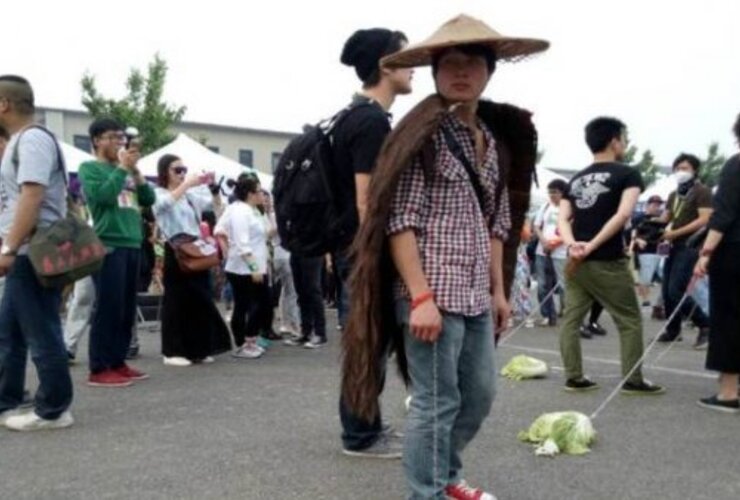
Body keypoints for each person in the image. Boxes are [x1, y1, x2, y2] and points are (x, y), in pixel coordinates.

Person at [342, 15, 547, 499]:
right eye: (450, 63)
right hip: (431, 291)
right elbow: (399, 221)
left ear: (489, 72)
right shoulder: (421, 136)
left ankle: (445, 475)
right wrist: (420, 297)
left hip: (476, 293)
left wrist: (500, 292)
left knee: (478, 396)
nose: (461, 72)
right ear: (434, 73)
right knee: (436, 402)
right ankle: (427, 492)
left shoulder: (493, 142)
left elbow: (497, 225)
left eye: (472, 63)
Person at [334, 27, 413, 459]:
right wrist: (383, 256)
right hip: (365, 253)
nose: (415, 65)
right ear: (386, 64)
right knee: (365, 345)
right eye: (407, 56)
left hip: (356, 251)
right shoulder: (369, 121)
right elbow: (368, 202)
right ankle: (360, 435)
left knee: (371, 343)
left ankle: (368, 426)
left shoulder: (358, 115)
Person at [557, 116, 664, 395]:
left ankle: (574, 377)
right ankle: (633, 379)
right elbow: (624, 214)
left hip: (576, 260)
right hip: (606, 260)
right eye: (624, 138)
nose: (625, 143)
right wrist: (591, 245)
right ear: (615, 141)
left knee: (571, 319)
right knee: (629, 320)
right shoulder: (627, 174)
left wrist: (573, 246)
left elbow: (563, 219)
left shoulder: (576, 178)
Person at [0, 75, 73, 430]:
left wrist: (9, 247)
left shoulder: (31, 140)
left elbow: (32, 196)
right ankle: (7, 399)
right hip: (25, 251)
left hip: (33, 251)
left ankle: (55, 409)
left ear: (4, 104)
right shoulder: (21, 141)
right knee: (10, 332)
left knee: (41, 330)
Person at [78, 117, 155, 387]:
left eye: (121, 138)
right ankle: (99, 368)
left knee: (125, 308)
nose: (118, 143)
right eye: (112, 137)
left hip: (133, 242)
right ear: (97, 140)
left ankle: (118, 361)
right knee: (107, 307)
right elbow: (102, 197)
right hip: (108, 243)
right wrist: (123, 167)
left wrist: (137, 172)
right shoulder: (89, 168)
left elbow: (148, 200)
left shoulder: (125, 170)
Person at [152, 154, 231, 366]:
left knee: (201, 298)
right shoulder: (158, 192)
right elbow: (161, 207)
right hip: (174, 248)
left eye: (184, 169)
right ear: (165, 172)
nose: (182, 174)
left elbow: (217, 208)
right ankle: (172, 351)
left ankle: (198, 348)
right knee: (176, 300)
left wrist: (214, 189)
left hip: (195, 248)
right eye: (177, 170)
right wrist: (187, 184)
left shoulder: (189, 196)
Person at [694, 113, 740, 413]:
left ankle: (728, 392)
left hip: (734, 251)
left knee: (728, 320)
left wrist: (705, 252)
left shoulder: (736, 165)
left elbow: (723, 214)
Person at [657, 153, 713, 348]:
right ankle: (673, 330)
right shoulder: (674, 194)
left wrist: (676, 232)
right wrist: (649, 226)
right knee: (665, 290)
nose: (681, 172)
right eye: (678, 168)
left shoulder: (702, 191)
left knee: (676, 289)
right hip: (672, 245)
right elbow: (666, 217)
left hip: (690, 245)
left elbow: (704, 219)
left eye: (685, 168)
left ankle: (705, 324)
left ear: (695, 170)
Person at [215, 174, 270, 359]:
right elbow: (241, 241)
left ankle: (250, 340)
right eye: (259, 191)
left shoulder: (252, 210)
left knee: (261, 303)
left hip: (256, 265)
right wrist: (253, 267)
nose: (262, 195)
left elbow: (219, 229)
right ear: (249, 193)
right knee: (247, 304)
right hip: (244, 268)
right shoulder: (239, 211)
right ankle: (242, 343)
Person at [533, 179, 568, 327]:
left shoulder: (568, 209)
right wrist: (544, 242)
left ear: (563, 193)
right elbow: (537, 226)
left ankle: (566, 310)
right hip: (542, 251)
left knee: (563, 285)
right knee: (542, 285)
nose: (552, 195)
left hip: (561, 252)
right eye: (550, 192)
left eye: (555, 192)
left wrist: (555, 244)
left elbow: (569, 229)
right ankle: (547, 314)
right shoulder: (545, 207)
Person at [631, 195, 666, 307]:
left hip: (662, 248)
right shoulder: (639, 218)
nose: (657, 207)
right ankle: (645, 299)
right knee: (646, 277)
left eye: (659, 205)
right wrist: (637, 241)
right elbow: (632, 233)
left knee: (665, 275)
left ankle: (661, 301)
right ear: (648, 205)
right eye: (655, 204)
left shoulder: (663, 218)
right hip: (646, 249)